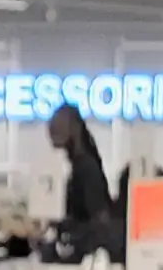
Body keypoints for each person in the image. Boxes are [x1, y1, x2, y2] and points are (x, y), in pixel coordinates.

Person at [46, 98, 119, 249]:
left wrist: (68, 231)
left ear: (74, 128)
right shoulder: (80, 166)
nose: (52, 130)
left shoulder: (86, 168)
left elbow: (99, 221)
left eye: (59, 125)